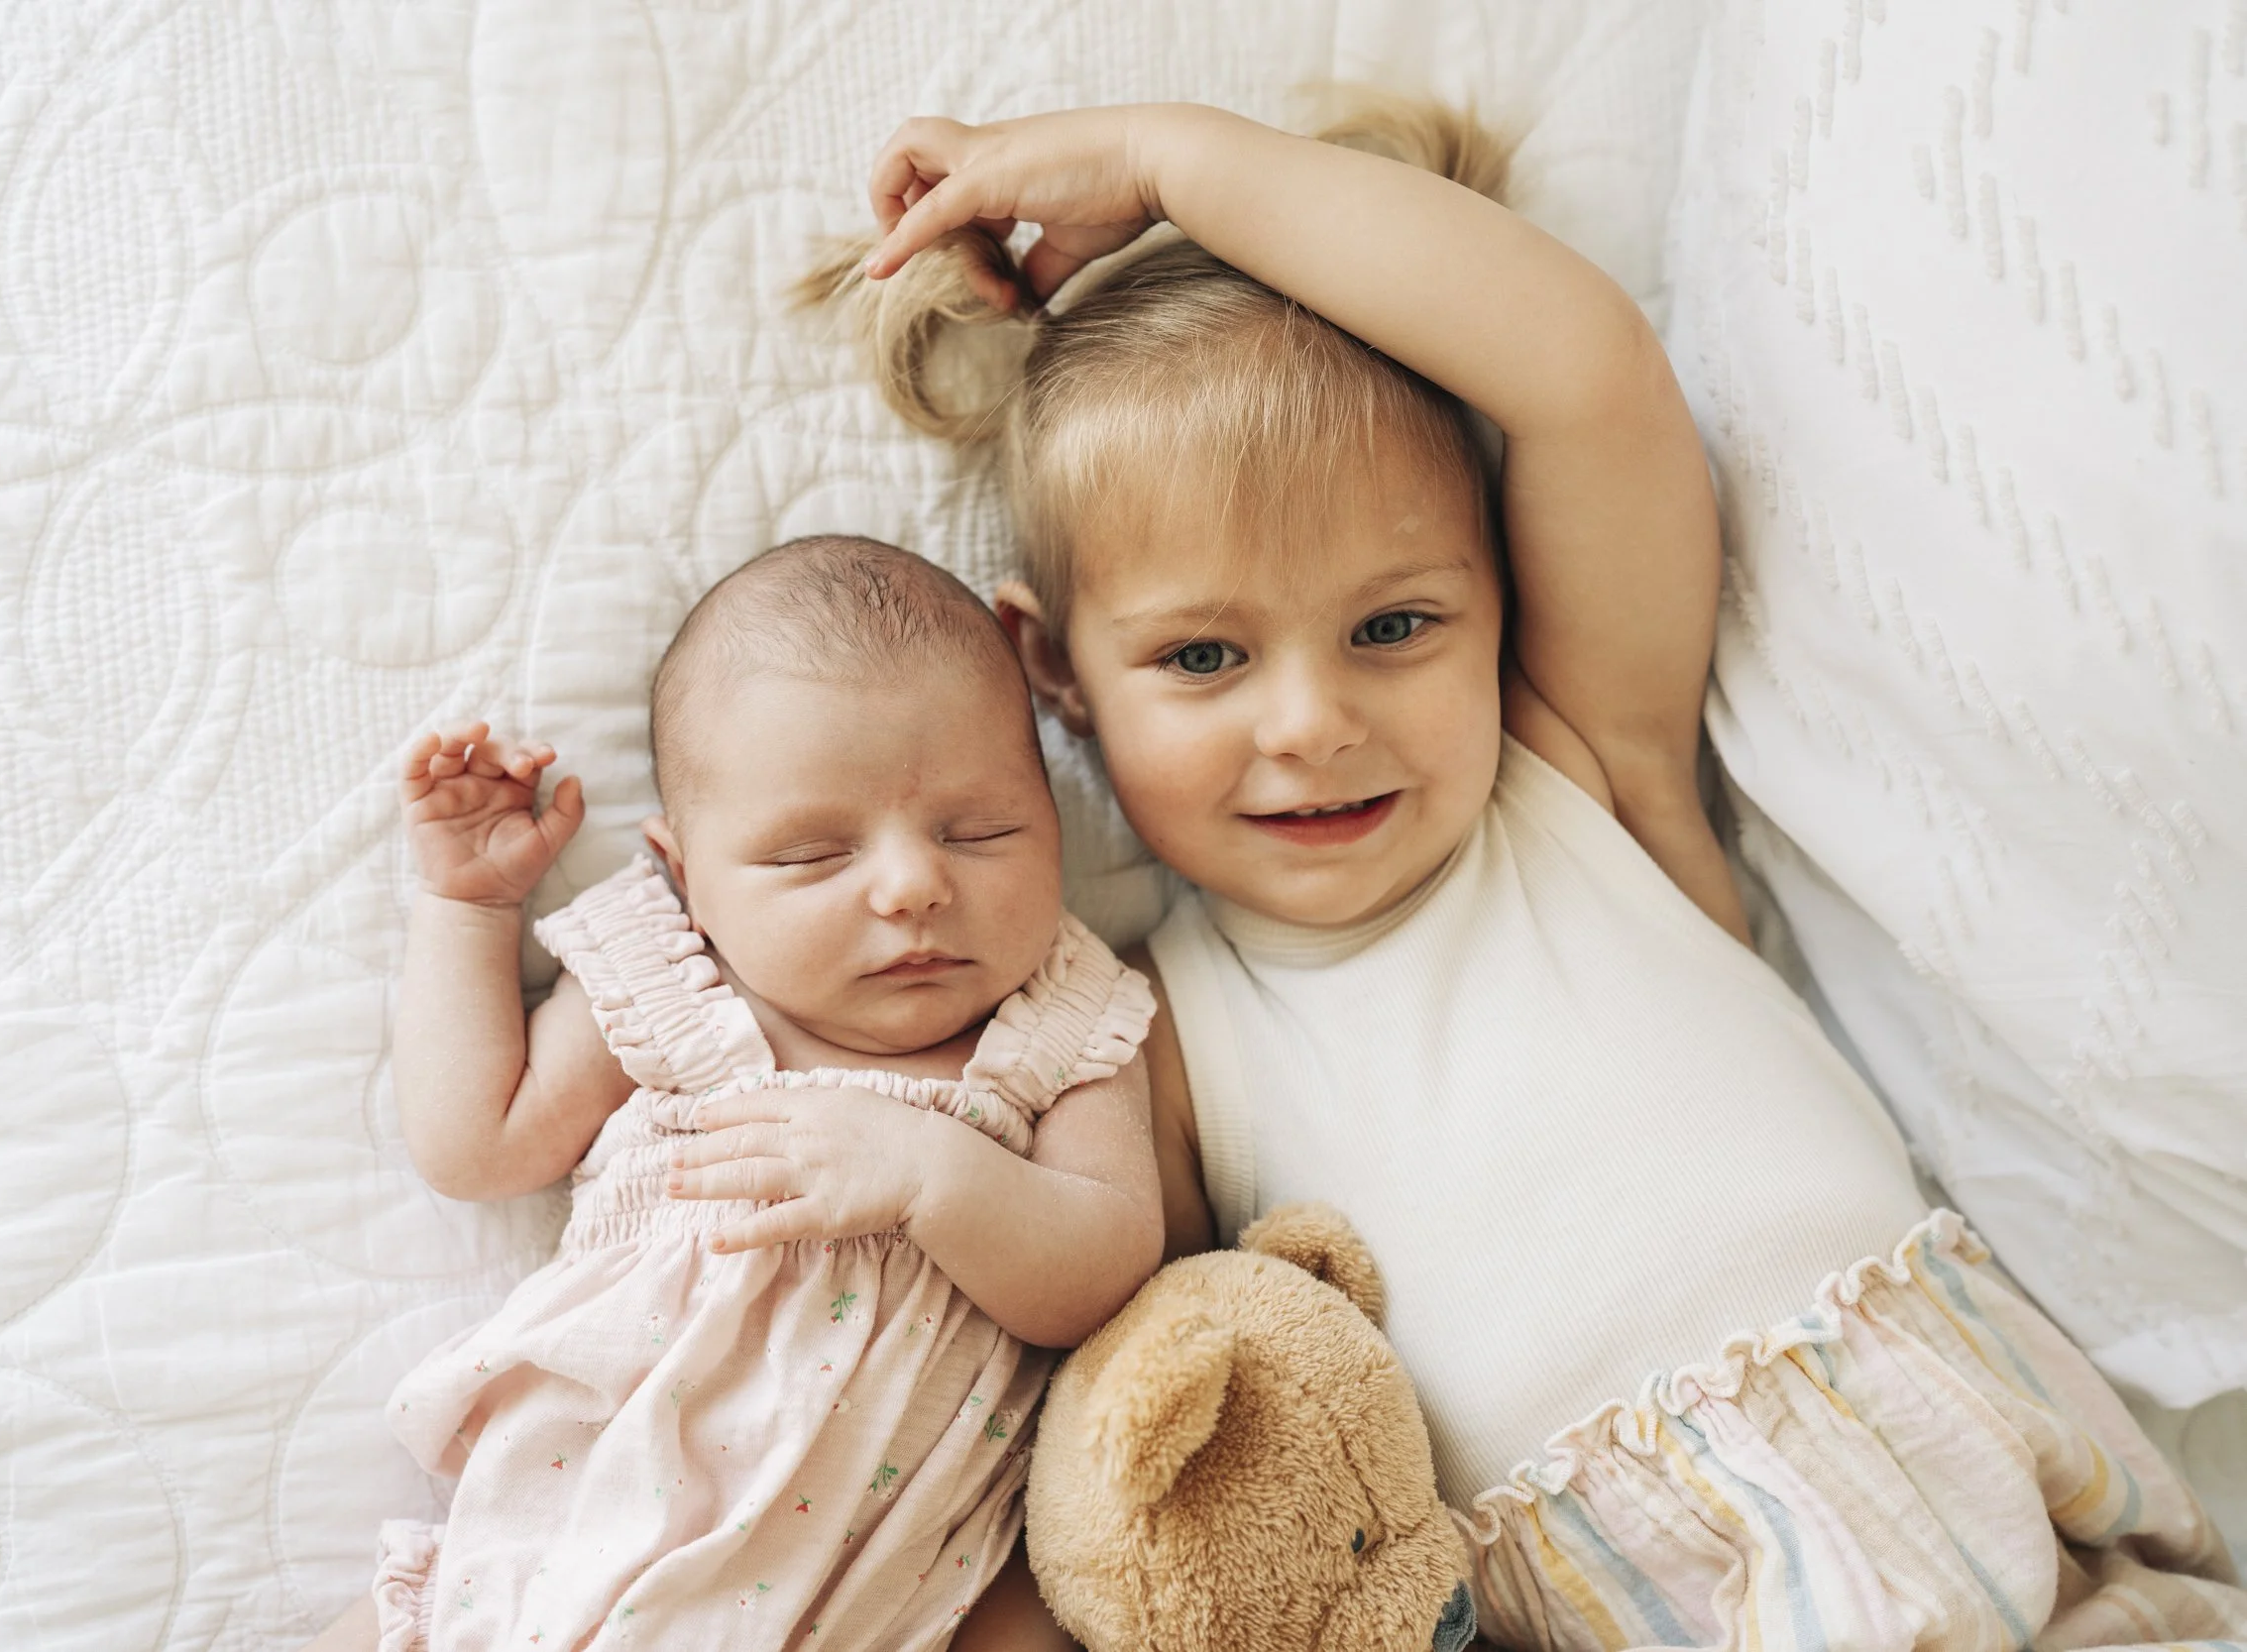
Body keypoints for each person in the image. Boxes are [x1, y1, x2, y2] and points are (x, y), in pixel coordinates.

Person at [818, 97, 2247, 1648]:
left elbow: (1585, 376)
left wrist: (1170, 164)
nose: (1311, 724)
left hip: (2020, 1555)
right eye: (1205, 656)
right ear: (1053, 667)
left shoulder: (1581, 779)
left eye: (1393, 626)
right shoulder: (1145, 1038)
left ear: (1503, 593)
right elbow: (1110, 1408)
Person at [303, 536, 1161, 1651]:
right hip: (545, 1565)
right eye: (812, 855)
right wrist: (468, 907)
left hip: (850, 1608)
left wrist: (931, 1174)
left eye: (981, 830)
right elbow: (477, 1143)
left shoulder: (1066, 1023)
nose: (913, 884)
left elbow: (1103, 1272)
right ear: (687, 877)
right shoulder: (672, 991)